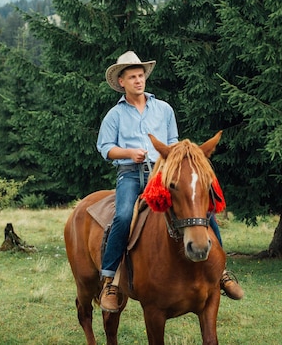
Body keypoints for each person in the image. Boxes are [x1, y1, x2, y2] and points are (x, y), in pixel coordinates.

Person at [96, 50, 244, 312]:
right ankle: (110, 280)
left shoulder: (163, 109)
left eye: (141, 75)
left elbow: (174, 142)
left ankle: (220, 271)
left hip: (163, 174)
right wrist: (129, 152)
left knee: (203, 210)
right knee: (121, 217)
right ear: (122, 81)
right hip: (131, 173)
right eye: (132, 77)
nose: (138, 81)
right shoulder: (114, 115)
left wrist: (179, 164)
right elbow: (105, 148)